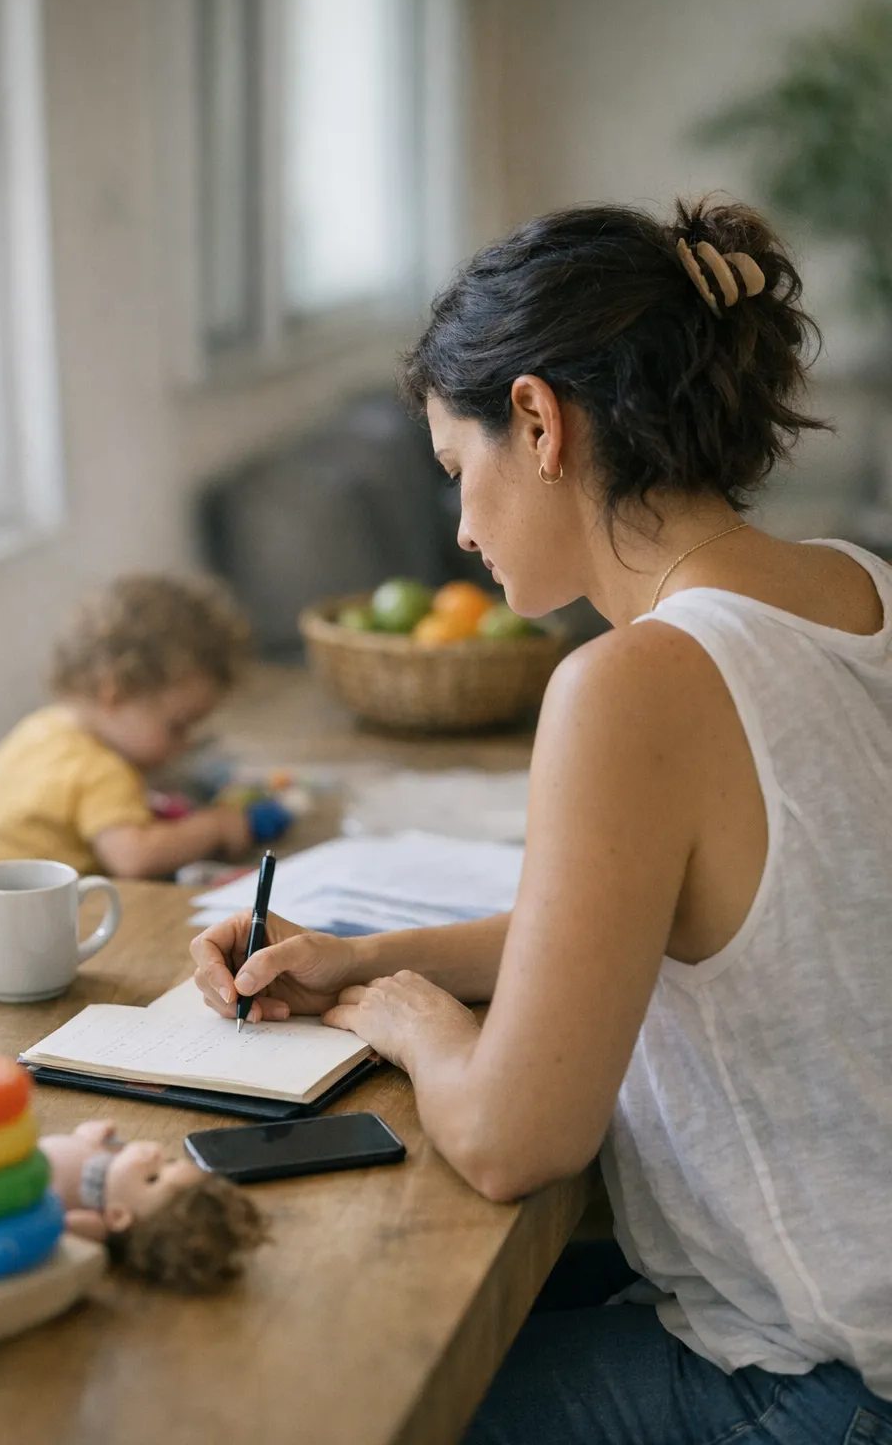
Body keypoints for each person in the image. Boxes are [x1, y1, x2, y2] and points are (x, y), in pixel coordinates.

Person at [189, 199, 892, 1443]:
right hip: (848, 1318)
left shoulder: (632, 687)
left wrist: (408, 1021)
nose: (459, 528)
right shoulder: (861, 588)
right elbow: (660, 918)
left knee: (322, 1399)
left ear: (537, 420)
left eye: (459, 472)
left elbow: (516, 1141)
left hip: (815, 1385)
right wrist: (361, 957)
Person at [0, 574, 255, 880]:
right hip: (32, 912)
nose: (185, 744)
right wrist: (215, 826)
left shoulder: (41, 728)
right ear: (116, 695)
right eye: (178, 726)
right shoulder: (102, 770)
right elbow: (135, 857)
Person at [39, 1120, 265, 1294]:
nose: (156, 1156)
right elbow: (79, 1140)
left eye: (152, 1178)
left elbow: (55, 1225)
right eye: (169, 1162)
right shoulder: (112, 1160)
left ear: (118, 1216)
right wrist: (88, 1134)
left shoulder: (97, 1221)